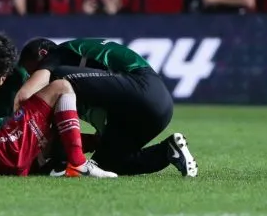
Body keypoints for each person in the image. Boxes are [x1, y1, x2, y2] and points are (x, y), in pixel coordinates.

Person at [17, 37, 198, 177]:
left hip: (142, 88)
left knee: (58, 82)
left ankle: (68, 162)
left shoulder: (57, 53)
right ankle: (168, 150)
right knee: (108, 164)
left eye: (32, 71)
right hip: (155, 109)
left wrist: (10, 131)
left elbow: (25, 94)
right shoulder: (87, 76)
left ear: (42, 54)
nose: (31, 76)